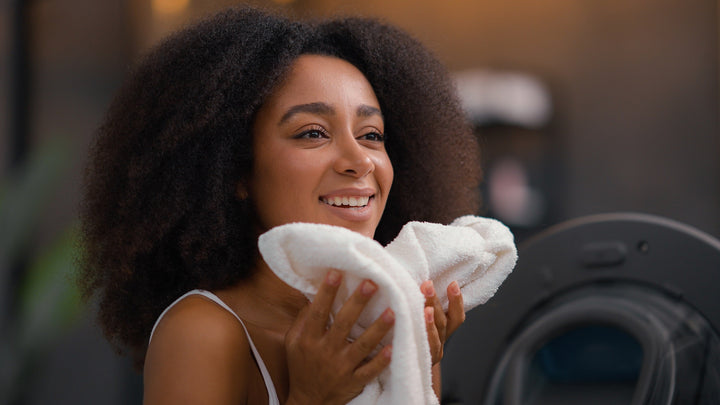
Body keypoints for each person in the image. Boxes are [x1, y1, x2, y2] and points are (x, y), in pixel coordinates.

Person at [78, 6, 481, 404]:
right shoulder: (204, 332)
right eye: (312, 133)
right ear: (234, 170)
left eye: (371, 134)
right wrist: (310, 397)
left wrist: (417, 361)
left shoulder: (391, 319)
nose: (360, 161)